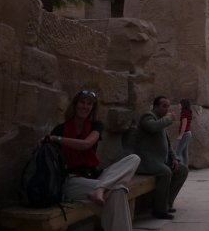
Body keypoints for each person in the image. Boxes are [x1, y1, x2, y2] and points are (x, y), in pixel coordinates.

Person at [48, 90, 140, 231]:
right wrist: (47, 140)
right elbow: (47, 150)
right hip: (73, 180)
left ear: (92, 108)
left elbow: (86, 144)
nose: (85, 106)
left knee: (134, 158)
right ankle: (101, 189)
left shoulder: (96, 126)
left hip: (95, 176)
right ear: (75, 104)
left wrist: (57, 139)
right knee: (119, 190)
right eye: (82, 102)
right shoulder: (60, 129)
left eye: (89, 104)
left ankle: (101, 188)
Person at [134, 96, 189, 220]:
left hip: (160, 161)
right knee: (165, 172)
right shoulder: (148, 117)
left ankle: (167, 203)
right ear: (155, 107)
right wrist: (168, 119)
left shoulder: (161, 121)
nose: (167, 109)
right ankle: (159, 210)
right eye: (164, 106)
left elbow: (168, 145)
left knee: (182, 170)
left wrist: (174, 159)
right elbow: (153, 127)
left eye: (168, 106)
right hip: (148, 161)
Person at [176, 99, 193, 167]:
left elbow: (184, 124)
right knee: (184, 153)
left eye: (179, 104)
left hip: (185, 134)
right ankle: (185, 168)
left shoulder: (184, 112)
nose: (178, 105)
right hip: (188, 133)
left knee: (178, 152)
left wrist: (181, 135)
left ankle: (181, 168)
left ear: (183, 104)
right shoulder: (188, 112)